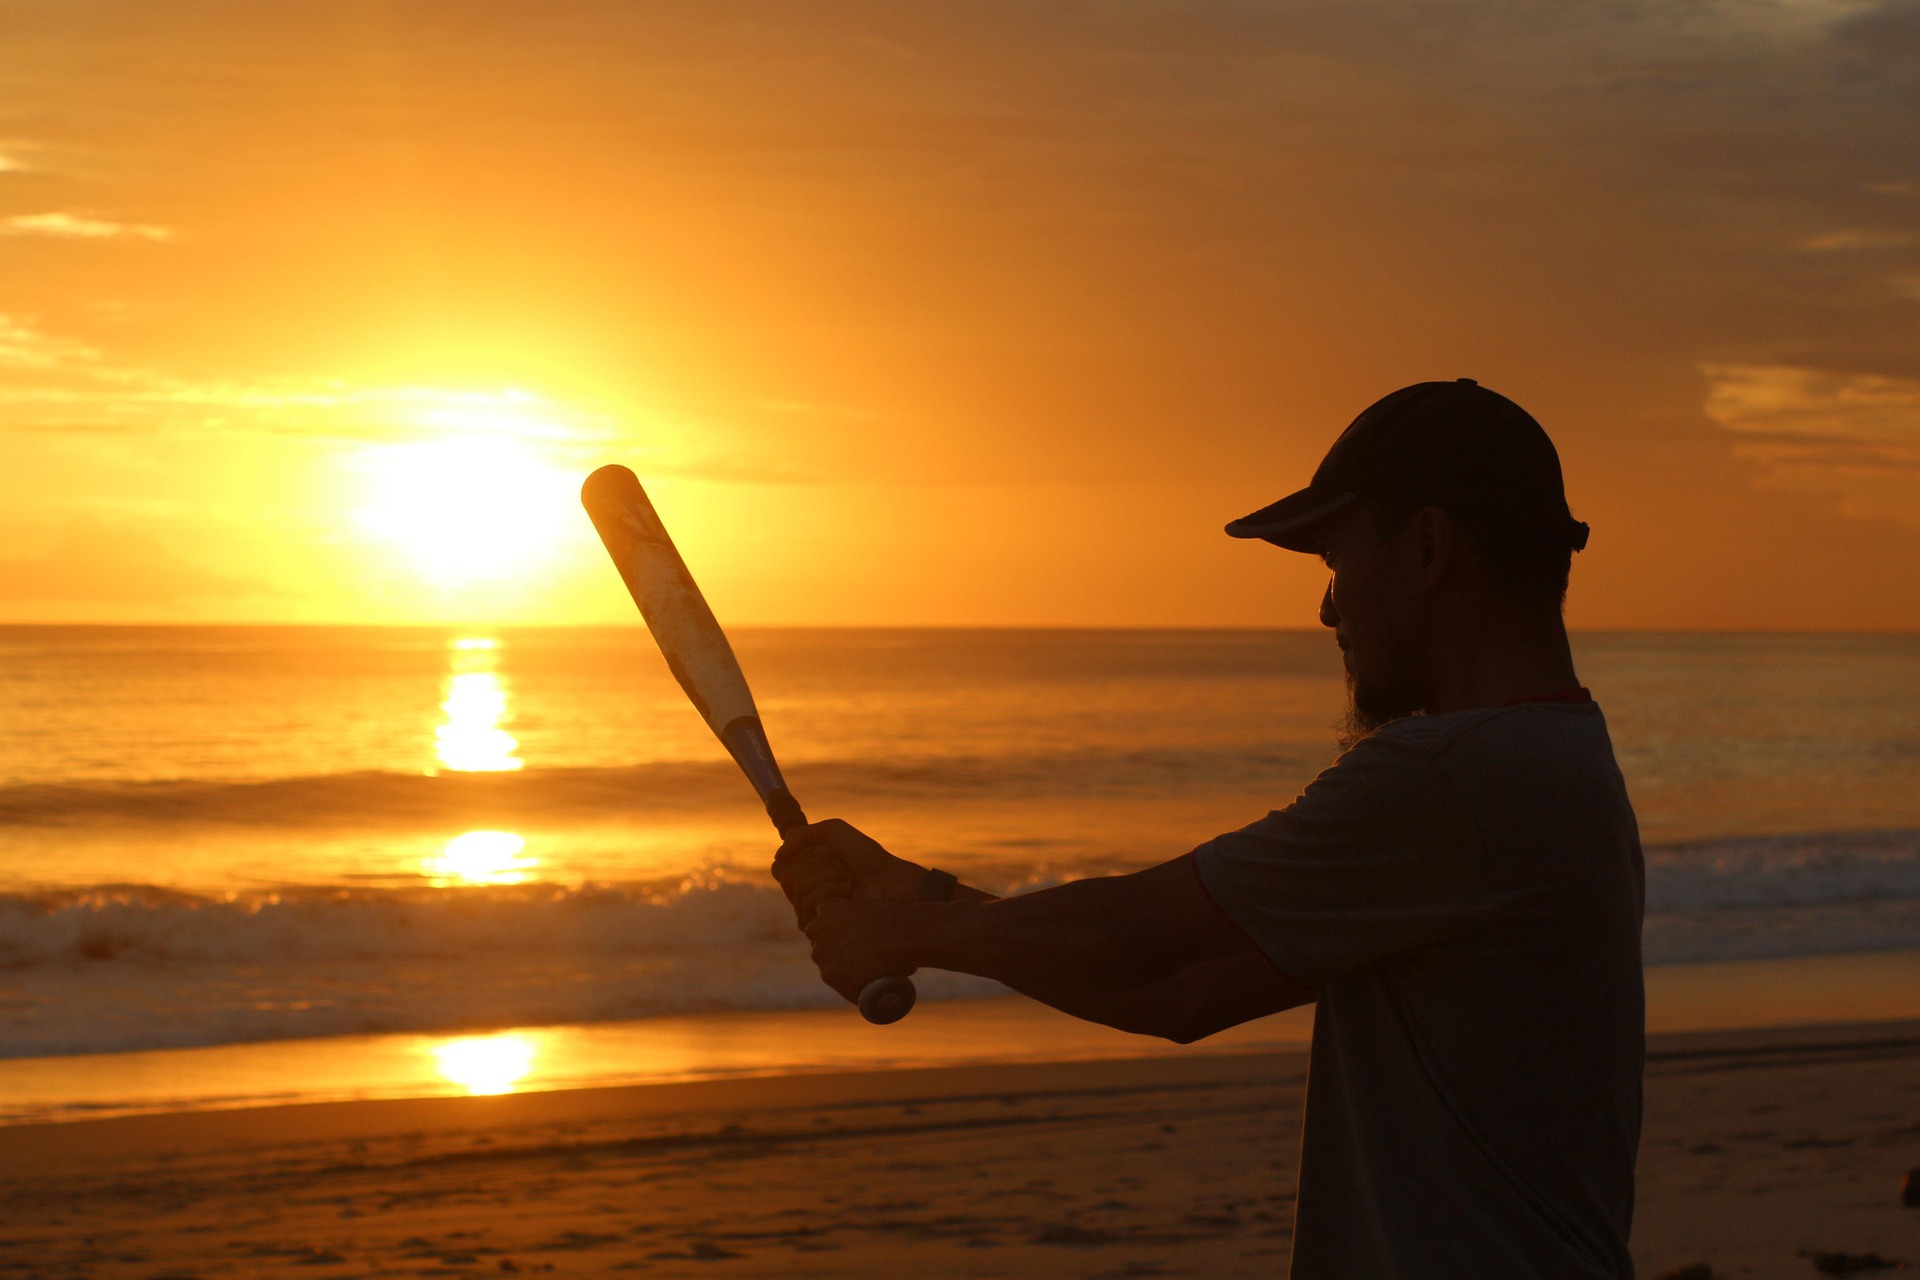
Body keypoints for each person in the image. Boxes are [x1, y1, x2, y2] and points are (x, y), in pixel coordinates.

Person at [772, 379, 1644, 1279]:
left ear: (1427, 547)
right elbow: (1179, 994)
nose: (1328, 609)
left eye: (1337, 560)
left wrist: (900, 932)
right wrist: (923, 897)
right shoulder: (1557, 758)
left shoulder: (1454, 774)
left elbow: (1132, 939)